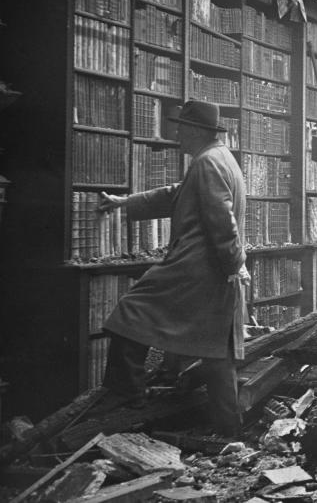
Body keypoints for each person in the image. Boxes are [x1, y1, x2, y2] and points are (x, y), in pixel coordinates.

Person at [97, 100, 249, 435]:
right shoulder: (220, 158)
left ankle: (129, 394)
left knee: (130, 310)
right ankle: (231, 429)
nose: (177, 133)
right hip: (215, 272)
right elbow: (176, 195)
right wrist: (126, 202)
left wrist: (234, 264)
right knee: (217, 351)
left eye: (181, 127)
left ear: (196, 130)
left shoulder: (208, 162)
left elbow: (222, 220)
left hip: (195, 270)